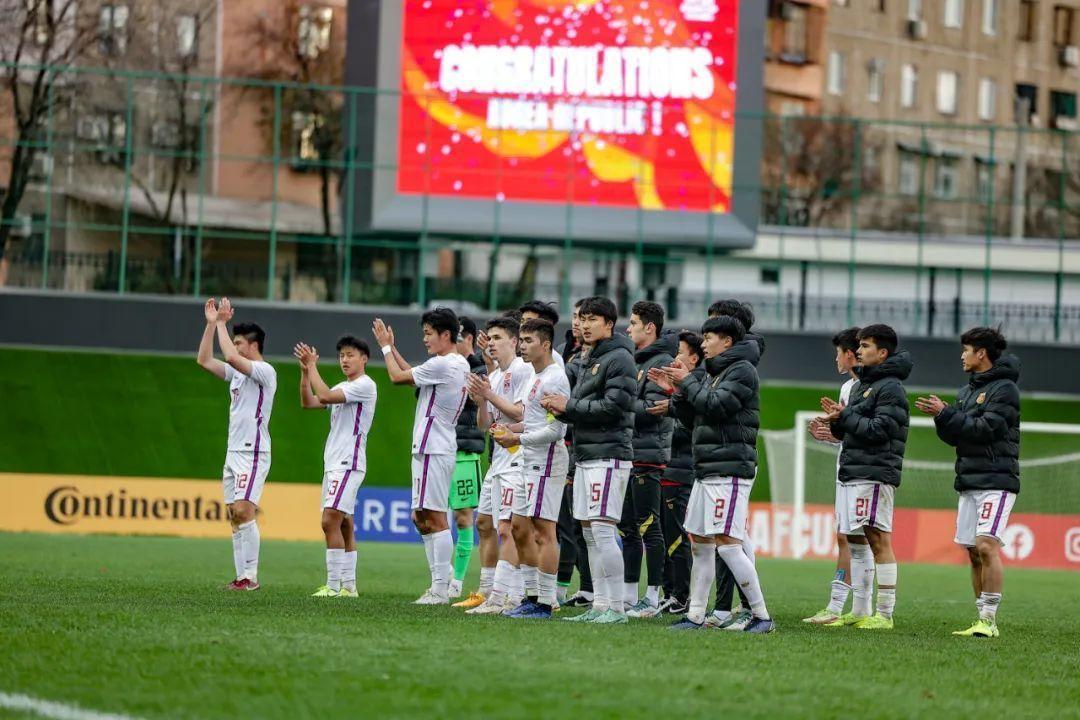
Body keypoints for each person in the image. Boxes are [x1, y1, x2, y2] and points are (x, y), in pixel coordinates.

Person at [660, 316, 774, 633]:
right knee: (700, 542)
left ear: (727, 341)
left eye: (708, 337)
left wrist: (687, 382)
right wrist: (678, 391)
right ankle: (696, 615)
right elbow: (694, 417)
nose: (704, 343)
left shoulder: (742, 371)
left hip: (729, 469)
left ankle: (762, 616)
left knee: (728, 545)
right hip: (707, 469)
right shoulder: (716, 372)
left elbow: (715, 406)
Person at [916, 327, 1020, 639]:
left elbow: (986, 429)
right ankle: (980, 618)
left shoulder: (1005, 390)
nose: (962, 356)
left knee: (987, 546)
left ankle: (989, 620)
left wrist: (947, 413)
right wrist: (941, 417)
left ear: (981, 353)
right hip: (969, 481)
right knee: (974, 551)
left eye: (966, 350)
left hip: (996, 479)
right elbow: (955, 435)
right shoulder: (966, 392)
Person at [543, 296, 636, 625]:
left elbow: (615, 407)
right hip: (586, 455)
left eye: (592, 319)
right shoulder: (587, 357)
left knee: (603, 530)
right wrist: (561, 407)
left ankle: (617, 608)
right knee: (590, 532)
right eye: (581, 319)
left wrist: (567, 407)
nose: (583, 325)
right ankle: (600, 605)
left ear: (609, 324)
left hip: (608, 456)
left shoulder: (620, 358)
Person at [373, 307, 470, 605]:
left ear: (446, 334)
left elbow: (396, 377)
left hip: (434, 447)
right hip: (432, 447)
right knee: (420, 516)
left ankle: (440, 589)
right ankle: (443, 576)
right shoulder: (451, 363)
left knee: (435, 516)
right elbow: (413, 376)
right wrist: (393, 348)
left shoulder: (445, 364)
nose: (425, 339)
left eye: (429, 334)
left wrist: (385, 347)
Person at [818, 324, 912, 630]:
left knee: (877, 538)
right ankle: (860, 610)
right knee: (857, 541)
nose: (859, 351)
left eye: (866, 346)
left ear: (882, 353)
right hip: (855, 470)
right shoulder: (863, 385)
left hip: (874, 472)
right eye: (858, 346)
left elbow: (879, 430)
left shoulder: (891, 388)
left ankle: (885, 614)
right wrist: (836, 422)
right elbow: (853, 429)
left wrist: (845, 416)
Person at [493, 319, 572, 619]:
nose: (522, 346)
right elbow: (535, 421)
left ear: (545, 344)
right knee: (518, 528)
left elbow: (556, 431)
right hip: (528, 458)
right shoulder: (533, 377)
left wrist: (517, 438)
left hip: (547, 459)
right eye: (521, 340)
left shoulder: (555, 378)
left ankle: (546, 602)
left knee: (543, 530)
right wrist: (510, 429)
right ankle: (532, 596)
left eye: (528, 341)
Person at [196, 298, 276, 591]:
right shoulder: (237, 374)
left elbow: (230, 357)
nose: (234, 346)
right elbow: (204, 360)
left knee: (243, 511)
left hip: (253, 452)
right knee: (233, 515)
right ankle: (241, 576)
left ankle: (251, 578)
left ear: (253, 345)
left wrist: (221, 323)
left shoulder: (265, 371)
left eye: (239, 342)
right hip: (233, 452)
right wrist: (210, 325)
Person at [294, 337, 377, 598]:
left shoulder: (365, 385)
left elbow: (325, 396)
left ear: (364, 359)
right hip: (334, 463)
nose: (344, 360)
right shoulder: (344, 386)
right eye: (341, 355)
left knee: (329, 520)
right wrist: (305, 373)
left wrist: (313, 366)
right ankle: (349, 587)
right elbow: (309, 402)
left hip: (348, 462)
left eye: (350, 355)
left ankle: (332, 586)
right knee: (344, 524)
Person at [463, 317, 532, 614]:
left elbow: (521, 414)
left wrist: (488, 394)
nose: (491, 343)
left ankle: (504, 597)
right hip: (498, 461)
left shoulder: (522, 370)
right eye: (489, 338)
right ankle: (490, 591)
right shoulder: (494, 376)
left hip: (518, 459)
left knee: (507, 527)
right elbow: (485, 425)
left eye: (497, 337)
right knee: (485, 523)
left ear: (513, 341)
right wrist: (480, 401)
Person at [803, 327, 863, 624]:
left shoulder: (868, 388)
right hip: (845, 469)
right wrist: (831, 437)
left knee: (859, 539)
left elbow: (870, 431)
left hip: (863, 473)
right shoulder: (847, 388)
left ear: (850, 354)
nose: (836, 359)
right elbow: (849, 434)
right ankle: (840, 607)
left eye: (838, 353)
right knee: (846, 537)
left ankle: (852, 607)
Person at [622, 301, 675, 618]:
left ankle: (653, 597)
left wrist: (619, 405)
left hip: (648, 456)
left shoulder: (663, 362)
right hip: (631, 454)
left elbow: (653, 409)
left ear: (649, 327)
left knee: (649, 526)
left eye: (633, 323)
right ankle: (629, 595)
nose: (628, 328)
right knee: (627, 526)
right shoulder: (636, 360)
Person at [648, 330, 702, 615]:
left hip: (682, 473)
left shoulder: (699, 385)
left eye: (679, 352)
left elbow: (690, 429)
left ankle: (682, 596)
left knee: (679, 536)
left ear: (693, 359)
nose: (674, 358)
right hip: (668, 470)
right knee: (667, 535)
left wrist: (670, 407)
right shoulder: (680, 388)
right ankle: (670, 593)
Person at [557, 301, 595, 607]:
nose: (578, 323)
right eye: (574, 316)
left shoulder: (600, 357)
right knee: (569, 524)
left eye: (584, 318)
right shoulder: (563, 353)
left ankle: (601, 592)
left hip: (582, 447)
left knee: (584, 525)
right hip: (568, 446)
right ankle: (588, 590)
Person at [448, 317, 487, 601]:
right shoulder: (444, 366)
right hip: (439, 451)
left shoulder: (480, 370)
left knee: (463, 518)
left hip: (465, 453)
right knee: (421, 515)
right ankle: (443, 572)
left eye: (456, 338)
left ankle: (456, 581)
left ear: (469, 338)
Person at [519, 300, 565, 368]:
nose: (523, 325)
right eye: (522, 321)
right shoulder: (522, 355)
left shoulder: (554, 360)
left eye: (529, 321)